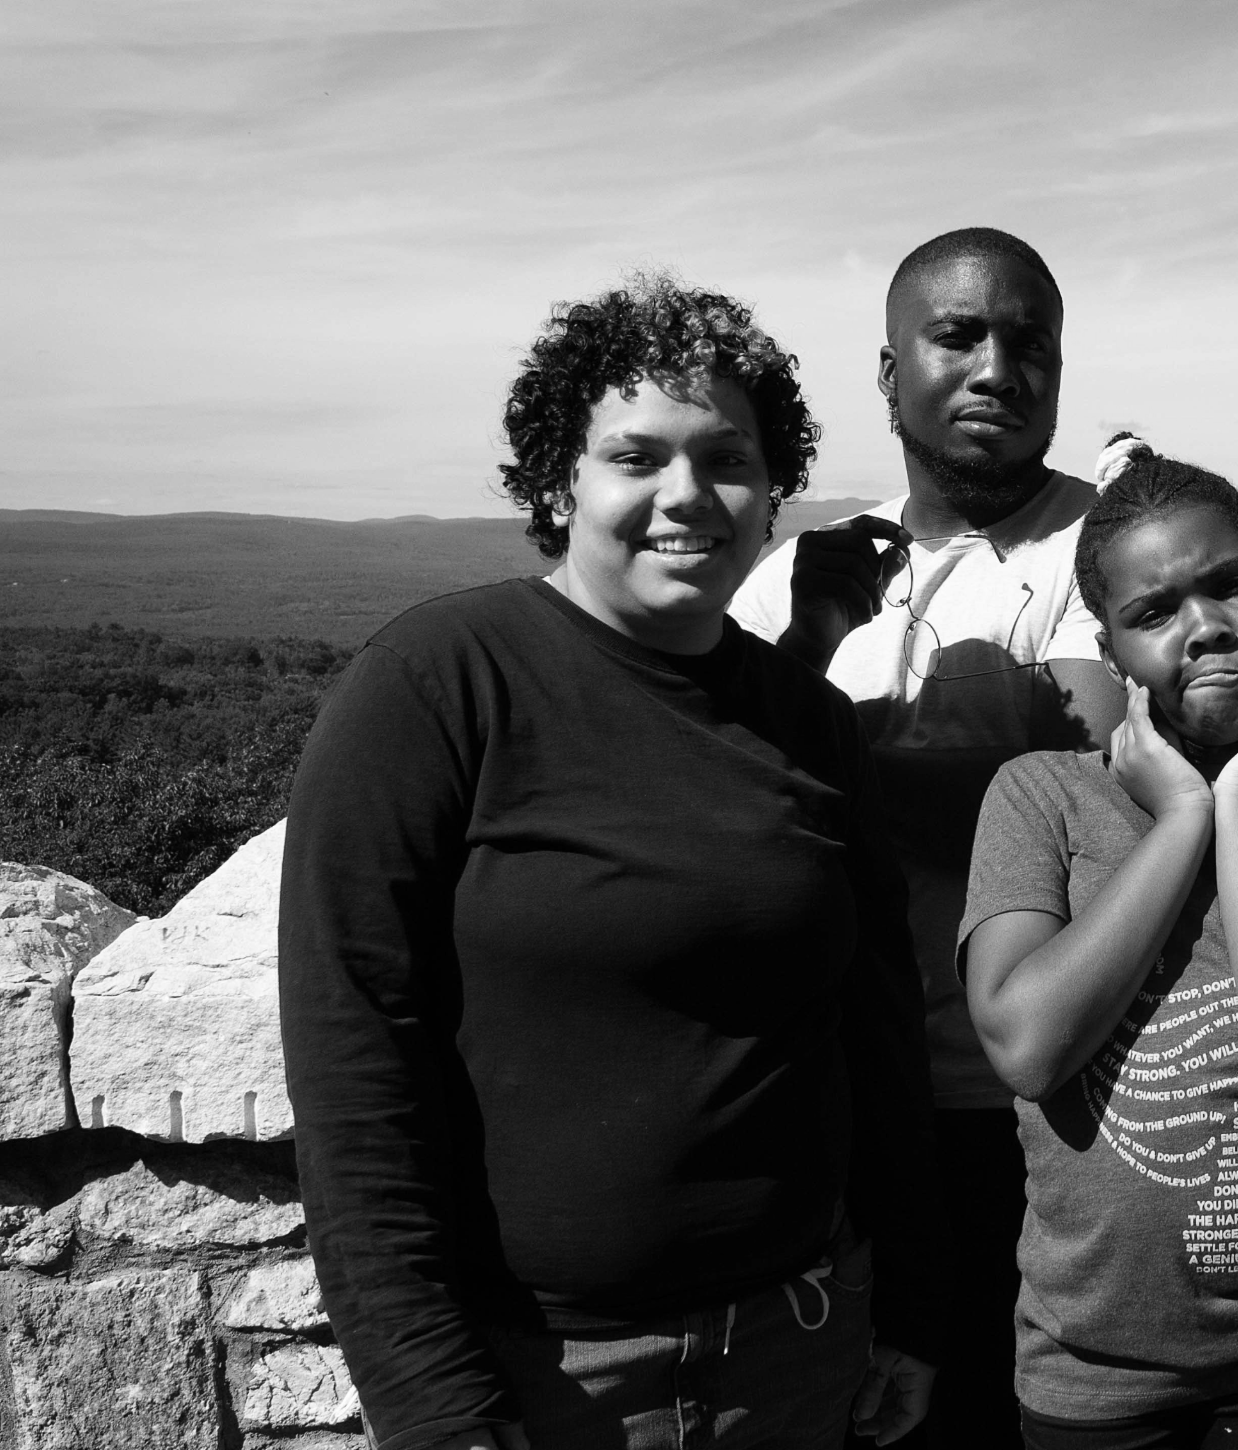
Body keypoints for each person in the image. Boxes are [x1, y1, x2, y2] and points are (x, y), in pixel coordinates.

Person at [280, 275, 941, 1450]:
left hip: (797, 1353)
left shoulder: (808, 721)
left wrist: (911, 1311)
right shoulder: (438, 685)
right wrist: (435, 1407)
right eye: (636, 457)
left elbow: (876, 1032)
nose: (686, 494)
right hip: (547, 1380)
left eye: (727, 459)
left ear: (771, 489)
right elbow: (357, 1067)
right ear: (558, 480)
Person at [729, 227, 1127, 1447]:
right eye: (957, 336)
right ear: (890, 369)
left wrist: (820, 717)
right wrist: (809, 649)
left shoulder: (1113, 553)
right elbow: (719, 808)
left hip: (1057, 1101)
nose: (997, 368)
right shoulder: (797, 578)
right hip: (845, 1098)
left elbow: (1080, 782)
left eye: (1029, 343)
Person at [960, 445, 1238, 1449]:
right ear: (1111, 651)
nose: (1205, 625)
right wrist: (1181, 818)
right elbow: (1027, 1046)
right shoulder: (1040, 798)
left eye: (1230, 584)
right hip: (1091, 1369)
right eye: (1154, 611)